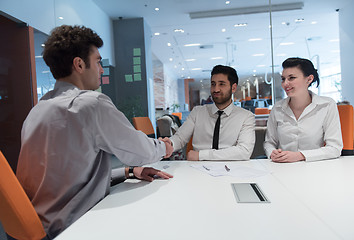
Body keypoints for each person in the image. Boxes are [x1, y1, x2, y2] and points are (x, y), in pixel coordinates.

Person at [16, 25, 173, 239]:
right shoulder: (90, 103)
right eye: (98, 61)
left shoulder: (36, 110)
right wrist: (165, 146)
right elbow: (140, 152)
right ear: (79, 64)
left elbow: (63, 179)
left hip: (39, 227)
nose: (101, 69)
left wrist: (128, 172)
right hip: (71, 227)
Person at [163, 65, 255, 161]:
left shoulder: (246, 116)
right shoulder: (197, 112)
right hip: (198, 169)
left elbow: (244, 151)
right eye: (213, 84)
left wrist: (201, 155)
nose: (216, 89)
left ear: (233, 88)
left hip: (231, 169)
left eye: (222, 84)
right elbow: (180, 138)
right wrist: (170, 143)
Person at [264, 57, 343, 162]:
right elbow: (269, 143)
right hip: (283, 167)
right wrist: (272, 153)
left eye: (291, 78)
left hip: (314, 167)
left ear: (309, 79)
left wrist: (301, 155)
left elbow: (334, 148)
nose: (285, 84)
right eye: (283, 79)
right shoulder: (277, 109)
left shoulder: (327, 105)